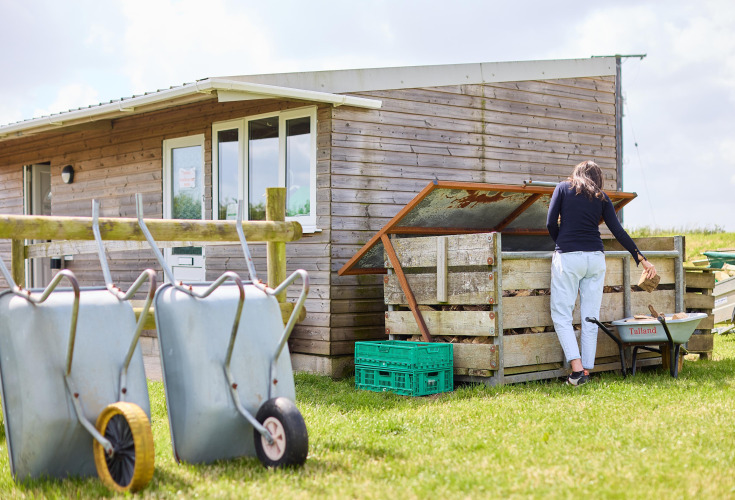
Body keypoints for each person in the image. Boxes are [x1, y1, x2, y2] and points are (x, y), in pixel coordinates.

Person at [546, 160, 657, 386]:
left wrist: (563, 243)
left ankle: (577, 371)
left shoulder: (562, 188)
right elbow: (618, 231)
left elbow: (550, 223)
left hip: (568, 258)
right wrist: (642, 259)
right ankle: (586, 370)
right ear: (598, 179)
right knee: (590, 317)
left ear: (576, 173)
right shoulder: (602, 197)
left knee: (562, 315)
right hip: (596, 259)